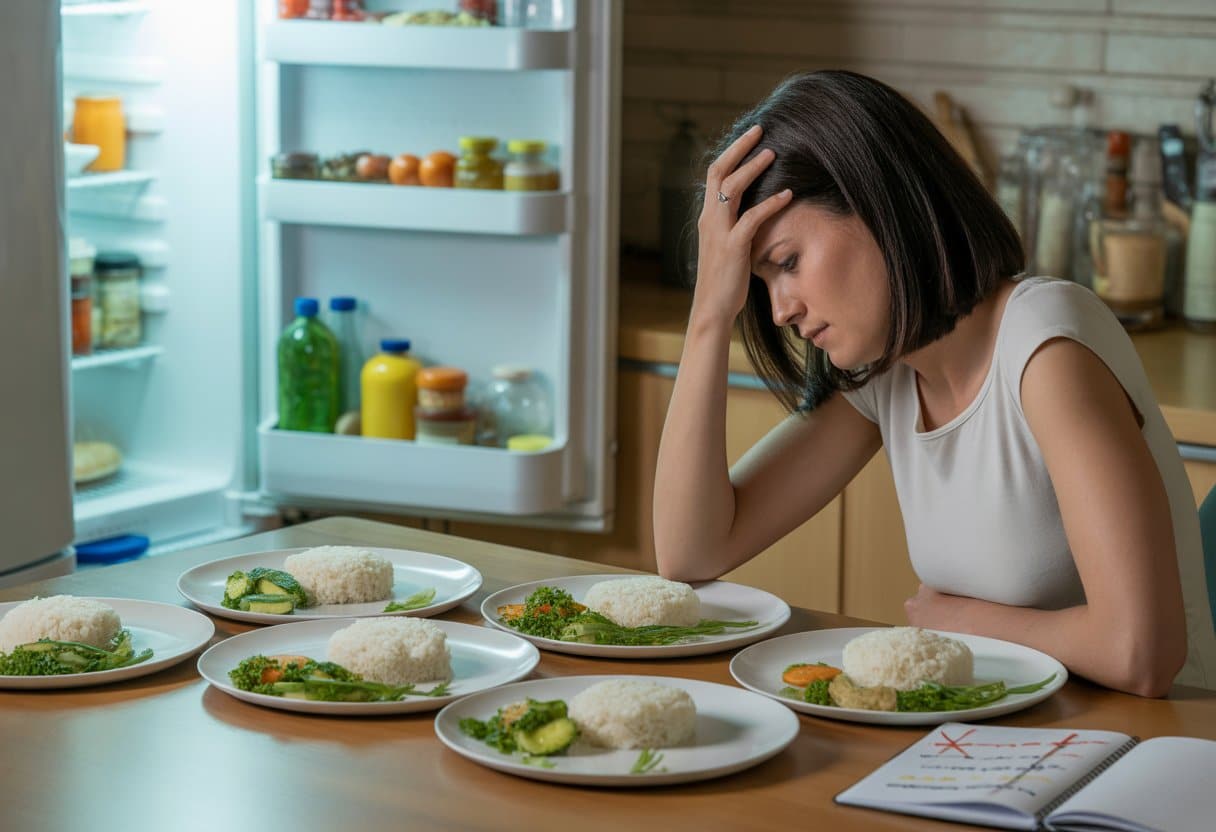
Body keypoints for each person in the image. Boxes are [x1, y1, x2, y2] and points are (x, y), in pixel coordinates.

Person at [653, 70, 1215, 696]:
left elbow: (1142, 654)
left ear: (879, 202)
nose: (780, 309)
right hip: (1011, 738)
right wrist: (708, 314)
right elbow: (690, 552)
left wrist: (962, 621)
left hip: (1149, 754)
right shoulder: (889, 373)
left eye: (788, 263)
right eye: (762, 283)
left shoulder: (1046, 347)